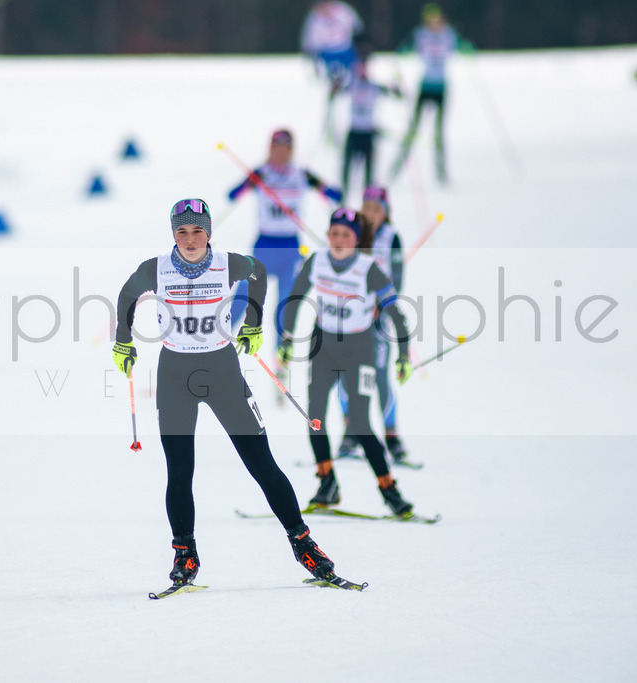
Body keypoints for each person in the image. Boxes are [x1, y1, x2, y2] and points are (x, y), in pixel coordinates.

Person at [112, 198, 341, 587]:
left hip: (222, 373)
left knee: (261, 464)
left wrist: (252, 323)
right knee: (180, 471)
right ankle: (185, 554)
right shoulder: (156, 268)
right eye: (182, 231)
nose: (190, 239)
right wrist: (123, 341)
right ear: (173, 233)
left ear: (209, 232)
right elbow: (127, 295)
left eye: (198, 230)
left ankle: (303, 543)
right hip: (175, 377)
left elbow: (259, 272)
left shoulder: (227, 262)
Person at [277, 207, 415, 516]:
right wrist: (286, 337)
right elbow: (295, 297)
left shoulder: (369, 269)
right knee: (315, 417)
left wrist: (404, 354)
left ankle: (389, 490)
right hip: (324, 345)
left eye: (346, 235)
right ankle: (327, 482)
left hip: (360, 349)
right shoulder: (316, 261)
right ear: (328, 235)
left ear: (357, 240)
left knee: (361, 422)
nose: (339, 240)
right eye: (334, 234)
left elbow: (395, 312)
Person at [226, 129, 342, 350]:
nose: (280, 153)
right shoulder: (261, 173)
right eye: (276, 148)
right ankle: (220, 341)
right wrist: (251, 182)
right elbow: (232, 195)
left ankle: (281, 351)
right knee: (243, 296)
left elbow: (335, 195)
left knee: (284, 304)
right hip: (264, 246)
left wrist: (326, 191)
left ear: (291, 150)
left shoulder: (301, 174)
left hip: (290, 248)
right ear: (270, 149)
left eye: (285, 149)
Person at [334, 187, 411, 465]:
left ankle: (392, 437)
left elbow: (398, 278)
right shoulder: (351, 233)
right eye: (366, 206)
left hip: (378, 317)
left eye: (376, 208)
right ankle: (350, 431)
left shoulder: (392, 238)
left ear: (386, 212)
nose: (371, 213)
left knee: (378, 376)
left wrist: (384, 301)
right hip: (350, 317)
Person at [388, 3, 474, 184]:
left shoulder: (449, 34)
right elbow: (403, 51)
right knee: (413, 130)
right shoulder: (420, 34)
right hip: (425, 87)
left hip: (441, 88)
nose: (434, 24)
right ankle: (395, 170)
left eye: (437, 20)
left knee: (439, 133)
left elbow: (468, 51)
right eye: (430, 20)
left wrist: (465, 43)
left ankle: (441, 173)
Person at [336, 60, 403, 202]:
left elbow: (396, 95)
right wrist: (335, 84)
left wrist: (395, 86)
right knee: (346, 170)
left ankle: (368, 202)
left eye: (364, 69)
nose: (362, 72)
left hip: (368, 133)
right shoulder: (352, 84)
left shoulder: (374, 86)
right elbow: (335, 93)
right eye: (359, 69)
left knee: (369, 173)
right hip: (354, 132)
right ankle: (343, 200)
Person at [301, 1, 366, 97]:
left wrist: (360, 40)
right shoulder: (315, 18)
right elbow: (310, 37)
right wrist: (310, 52)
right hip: (328, 52)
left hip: (345, 48)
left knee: (355, 72)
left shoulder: (342, 10)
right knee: (335, 76)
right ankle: (335, 95)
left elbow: (356, 25)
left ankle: (357, 93)